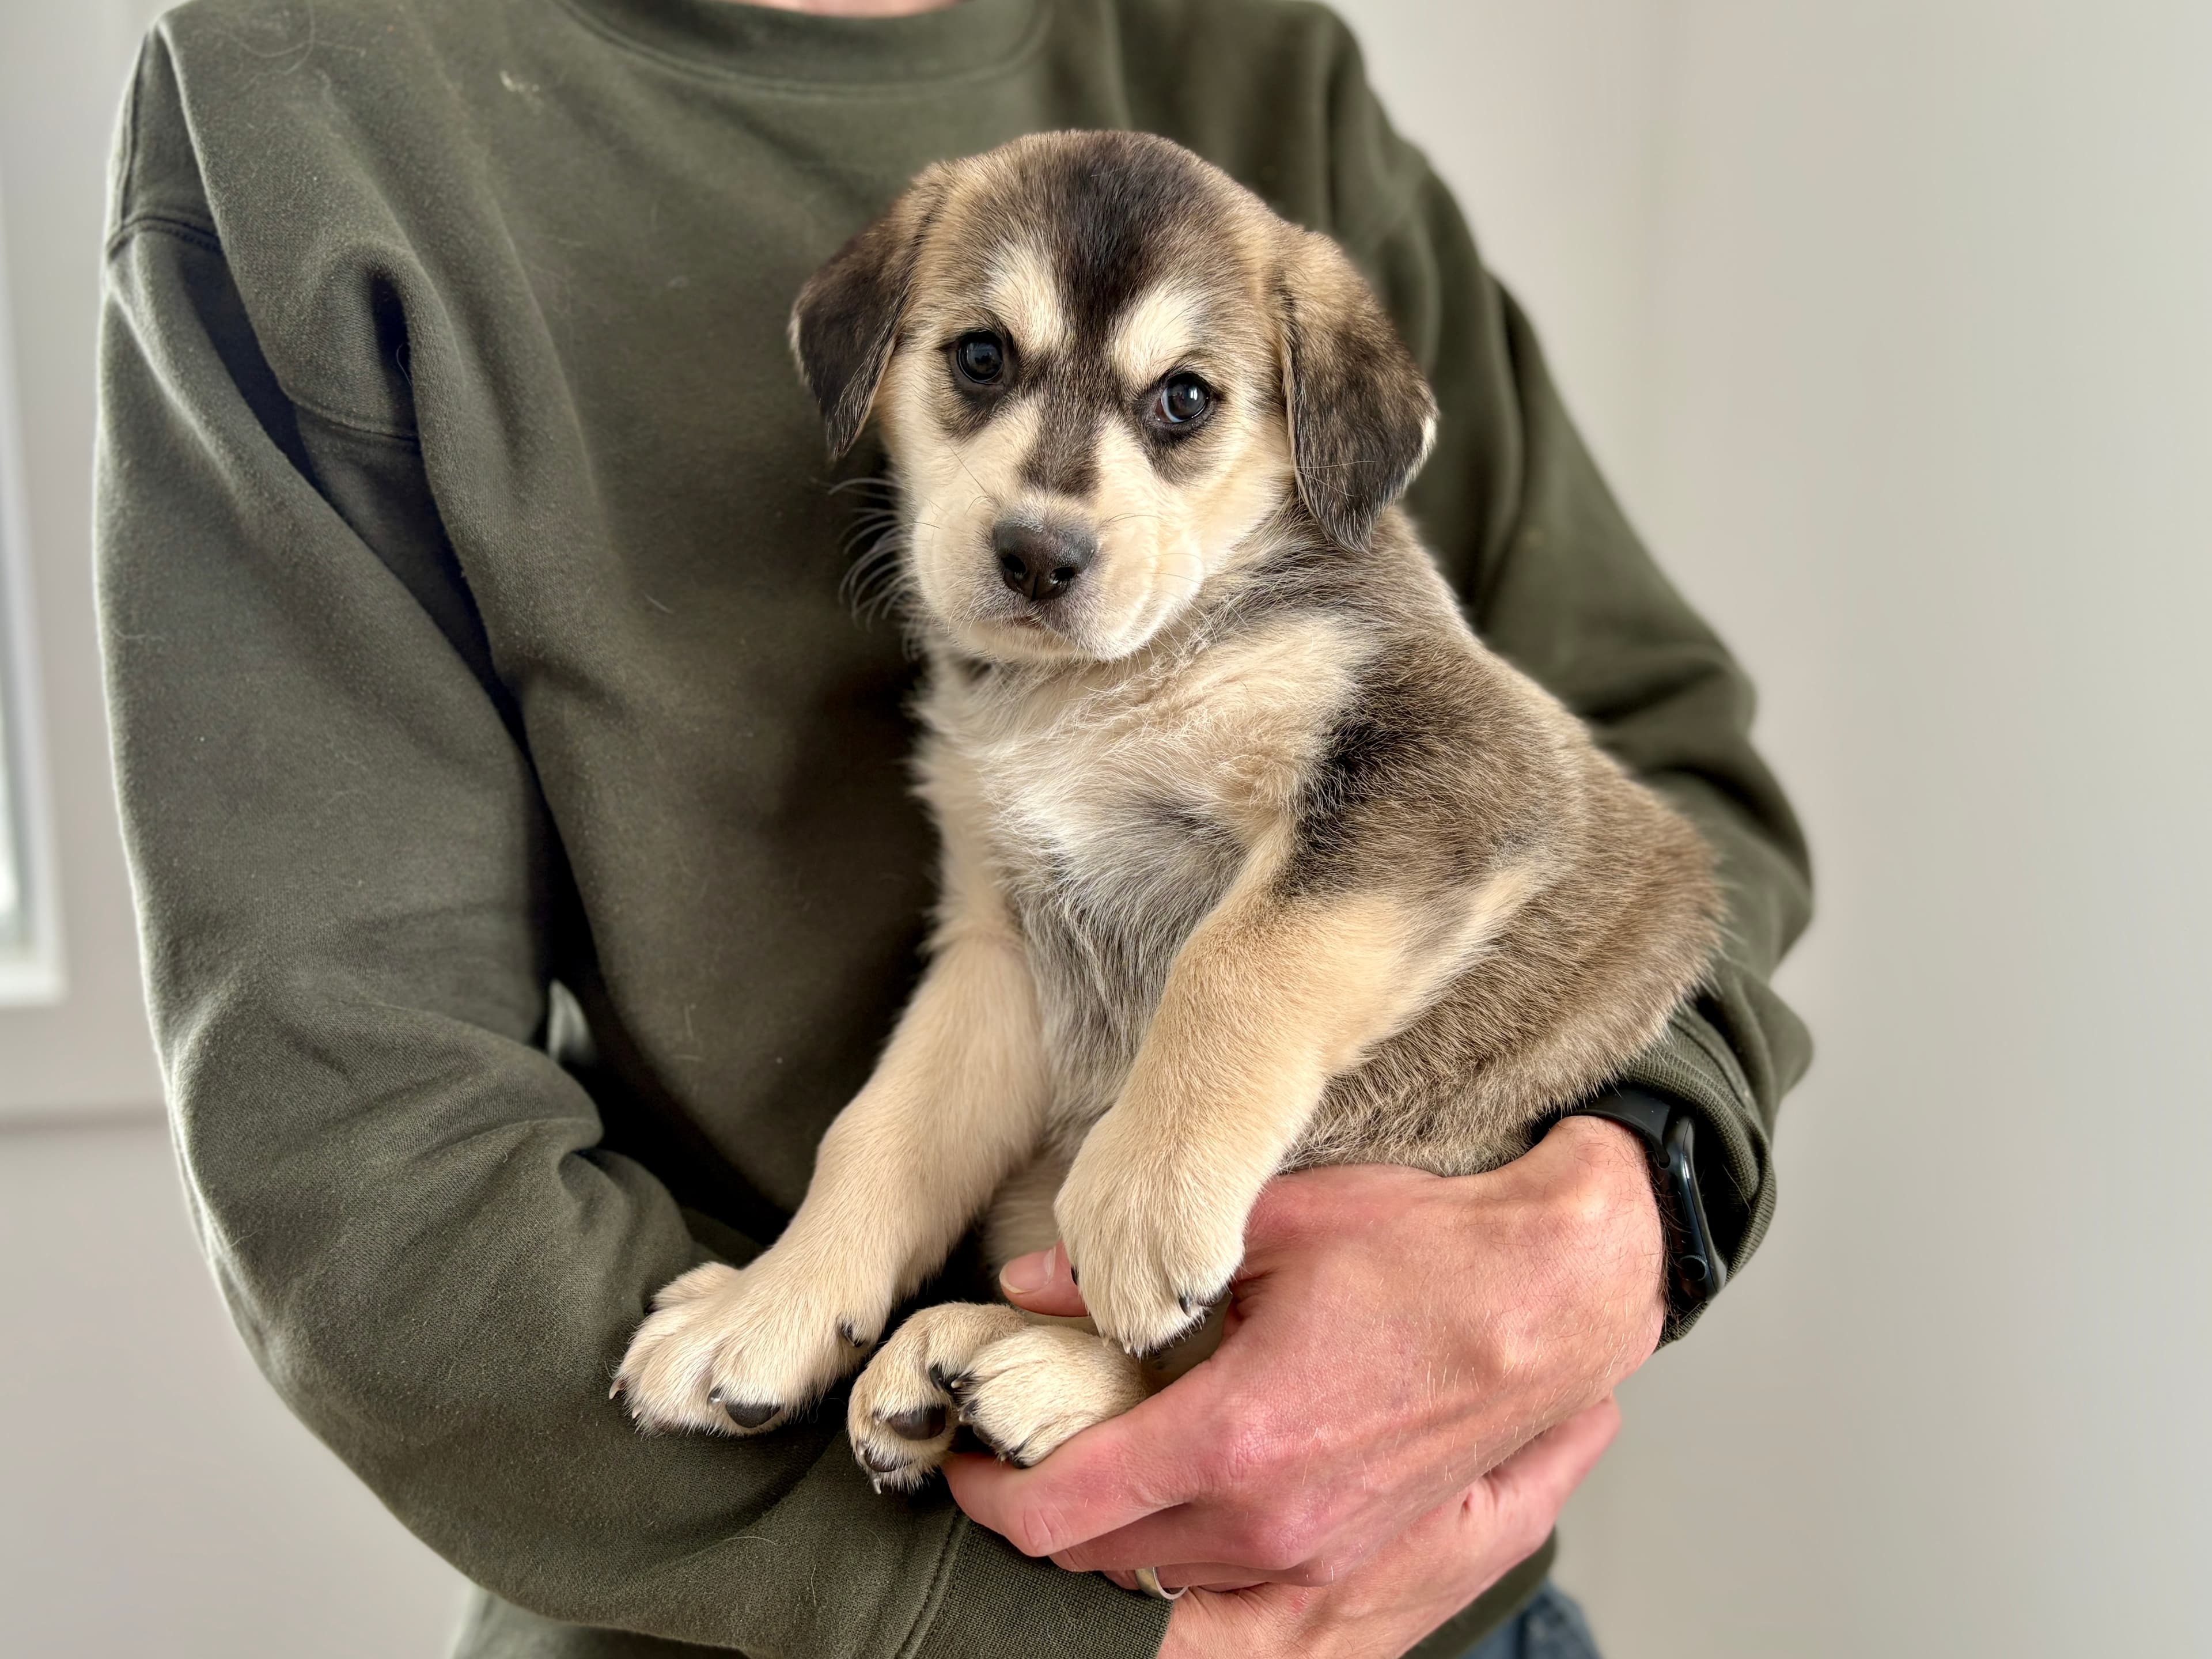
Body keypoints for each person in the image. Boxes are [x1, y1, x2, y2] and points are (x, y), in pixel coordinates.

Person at [94, 0, 1811, 1653]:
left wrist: (1642, 1190)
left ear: (1303, 434)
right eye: (982, 367)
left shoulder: (1286, 163)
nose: (1052, 504)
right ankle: (1063, 1368)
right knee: (999, 965)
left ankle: (1118, 1370)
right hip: (760, 1621)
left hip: (1436, 1547)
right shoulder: (302, 96)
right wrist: (827, 1274)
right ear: (880, 360)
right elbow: (363, 1142)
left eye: (1179, 407)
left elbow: (1540, 791)